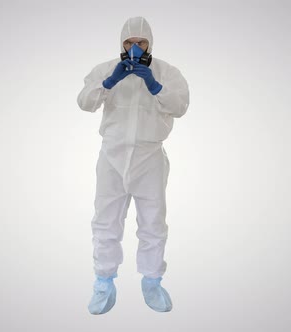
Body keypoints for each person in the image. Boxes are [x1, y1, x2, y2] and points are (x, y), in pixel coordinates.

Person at [77, 16, 189, 314]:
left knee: (153, 221)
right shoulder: (104, 69)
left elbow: (180, 106)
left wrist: (155, 85)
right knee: (105, 220)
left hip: (149, 156)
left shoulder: (168, 71)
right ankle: (103, 280)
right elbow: (85, 102)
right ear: (121, 44)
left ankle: (152, 281)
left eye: (141, 42)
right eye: (129, 42)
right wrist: (109, 82)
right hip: (111, 156)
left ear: (150, 42)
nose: (135, 48)